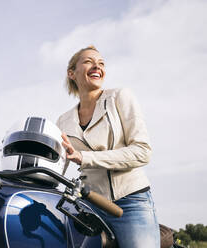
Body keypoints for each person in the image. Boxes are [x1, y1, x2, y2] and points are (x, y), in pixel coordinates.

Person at [57, 45, 160, 247]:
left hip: (131, 202)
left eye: (101, 63)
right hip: (88, 207)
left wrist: (84, 158)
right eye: (88, 61)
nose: (97, 65)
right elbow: (56, 167)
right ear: (72, 73)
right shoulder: (62, 121)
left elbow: (142, 151)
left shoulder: (119, 97)